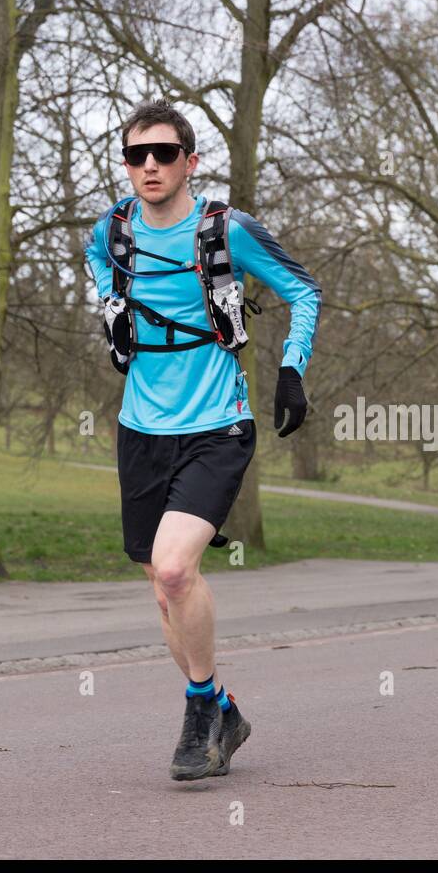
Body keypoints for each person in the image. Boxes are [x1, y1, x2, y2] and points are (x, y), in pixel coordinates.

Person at [84, 100, 321, 780]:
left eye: (163, 153)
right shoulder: (112, 231)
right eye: (136, 156)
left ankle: (198, 709)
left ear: (190, 161)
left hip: (217, 424)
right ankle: (225, 710)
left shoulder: (226, 230)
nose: (149, 166)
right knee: (164, 591)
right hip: (141, 428)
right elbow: (98, 264)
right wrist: (114, 319)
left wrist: (292, 370)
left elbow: (305, 290)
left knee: (175, 570)